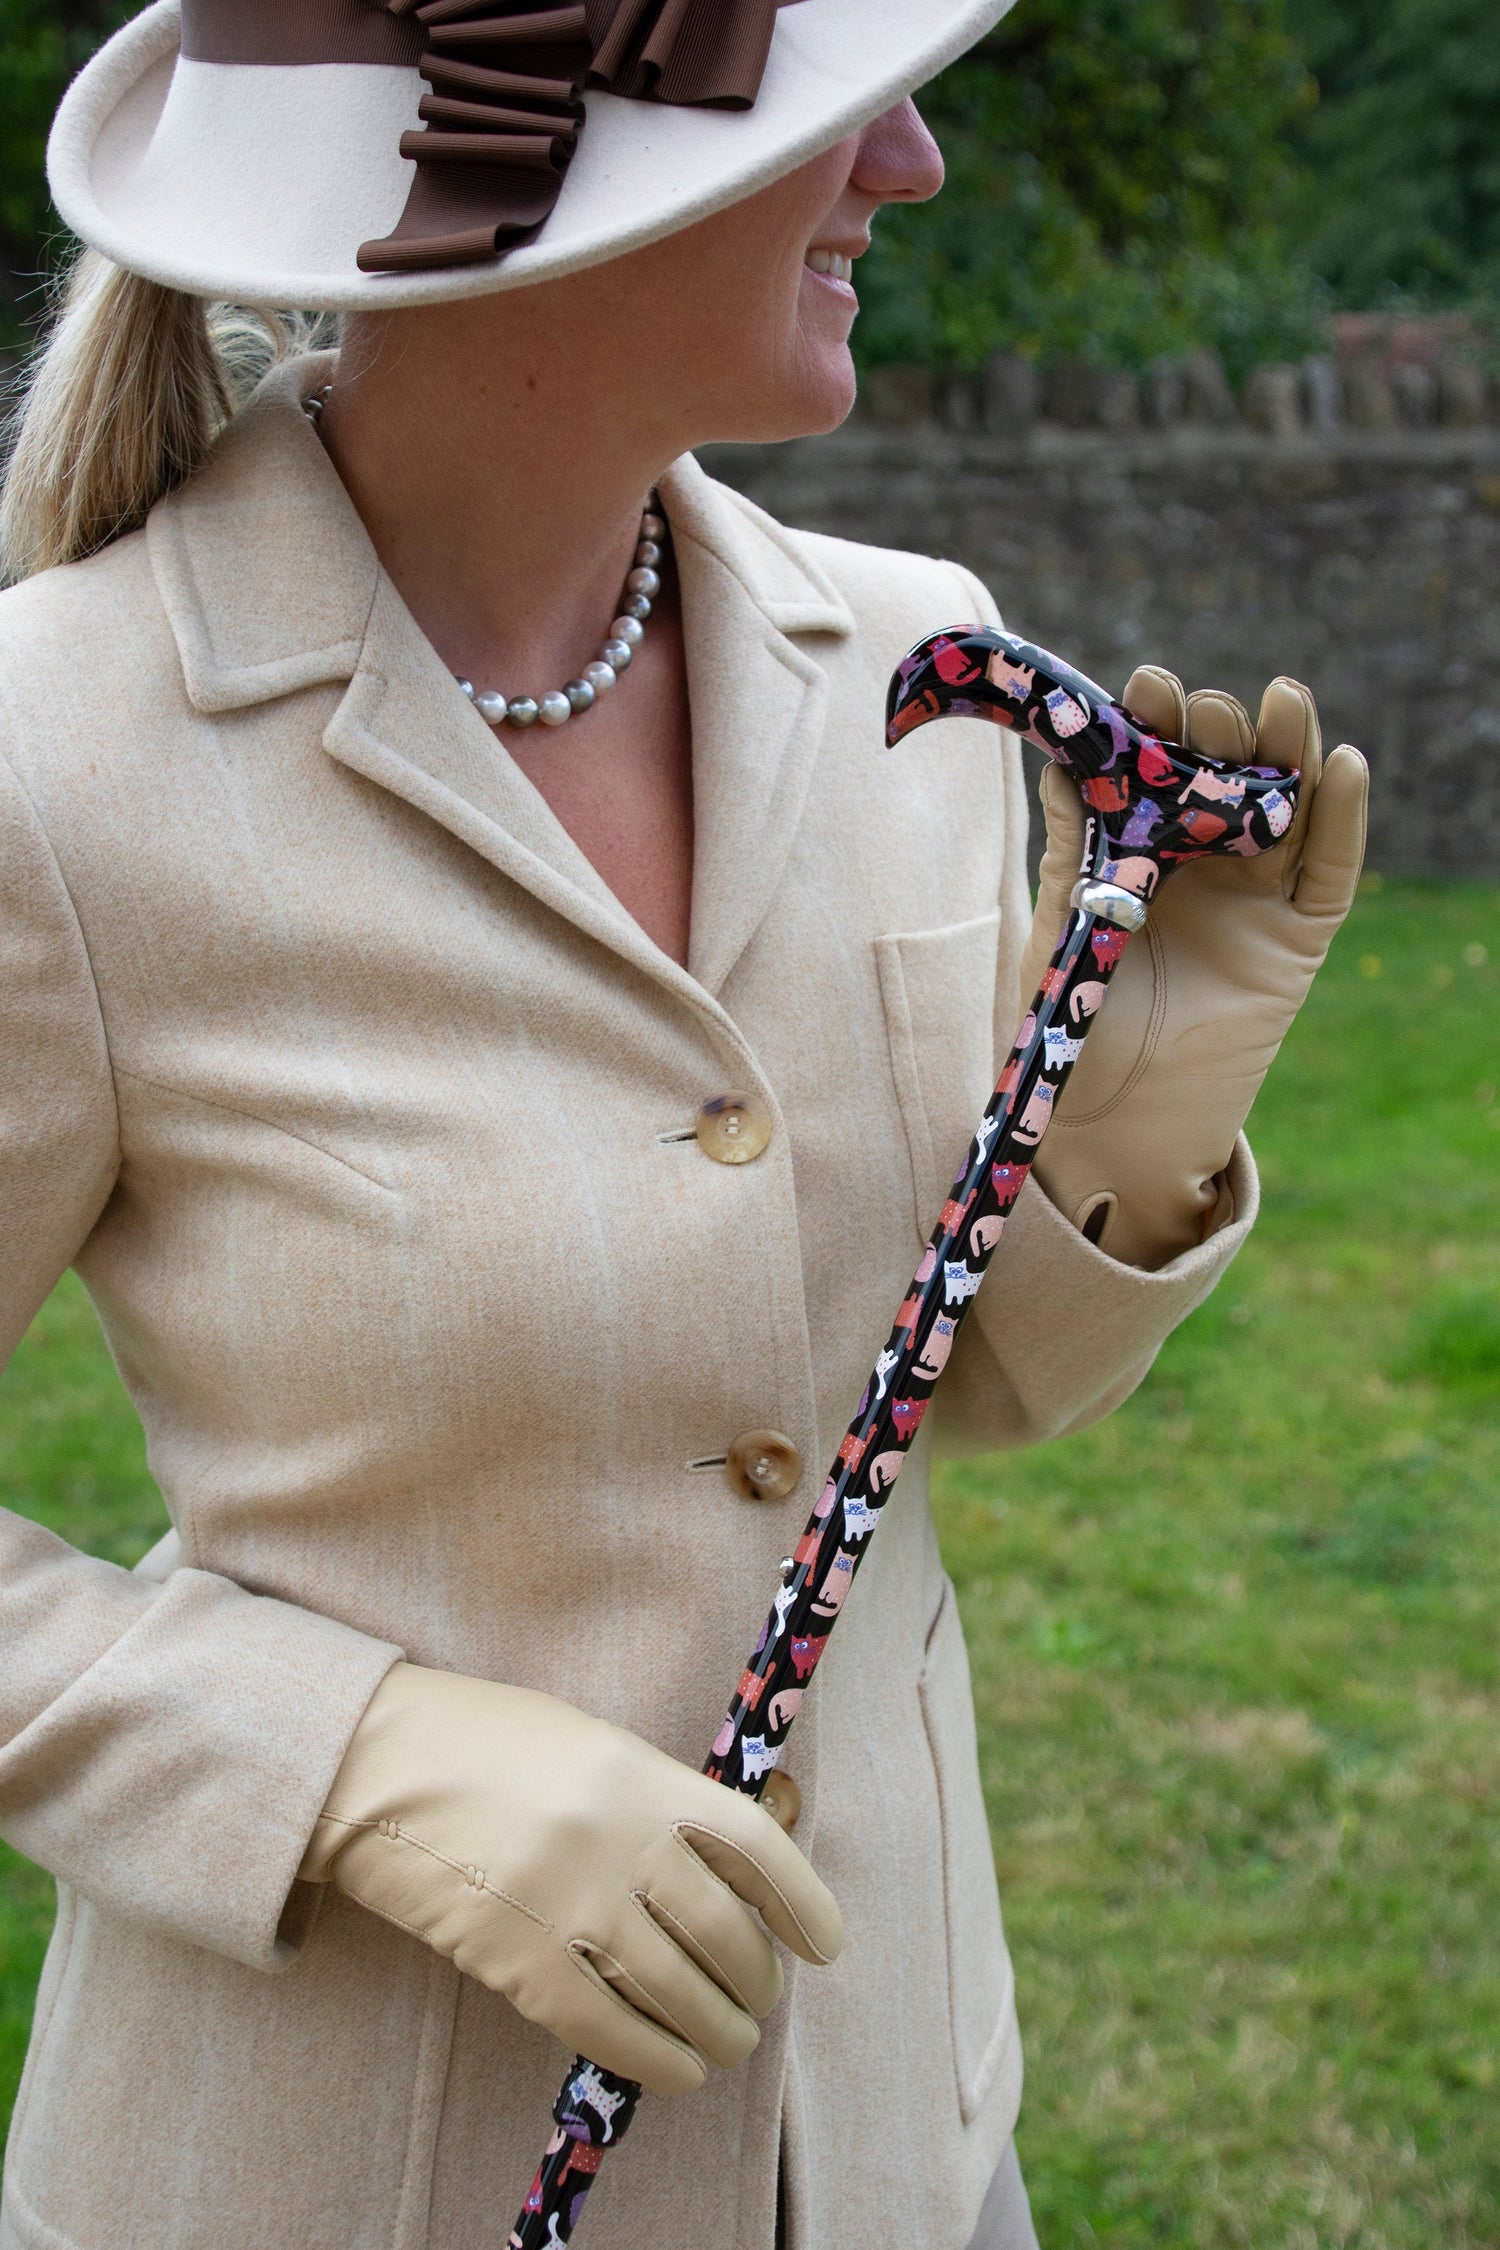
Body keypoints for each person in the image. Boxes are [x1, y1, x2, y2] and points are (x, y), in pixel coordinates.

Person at [0, 3, 1367, 2246]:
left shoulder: (917, 666)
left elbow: (956, 1394)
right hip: (349, 2178)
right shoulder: (56, 760)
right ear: (532, 179)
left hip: (910, 2144)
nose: (911, 164)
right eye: (828, 104)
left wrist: (1132, 1109)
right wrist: (353, 1760)